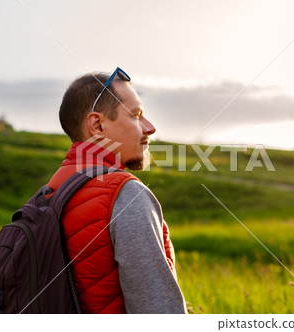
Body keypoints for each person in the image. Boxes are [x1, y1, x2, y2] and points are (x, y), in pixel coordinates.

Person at [47, 68, 187, 314]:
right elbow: (160, 312)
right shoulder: (125, 194)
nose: (150, 127)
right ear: (98, 125)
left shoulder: (49, 193)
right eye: (136, 116)